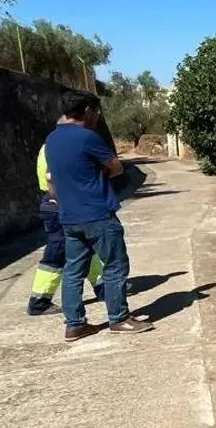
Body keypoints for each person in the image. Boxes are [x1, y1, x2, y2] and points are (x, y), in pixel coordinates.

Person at [45, 90, 153, 341]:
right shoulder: (87, 137)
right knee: (115, 266)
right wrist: (99, 176)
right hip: (97, 213)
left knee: (73, 270)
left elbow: (53, 179)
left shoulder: (52, 139)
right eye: (95, 111)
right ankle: (119, 319)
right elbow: (115, 167)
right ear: (86, 112)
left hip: (69, 216)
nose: (97, 116)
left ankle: (74, 325)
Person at [26, 139, 106, 315]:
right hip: (59, 202)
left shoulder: (48, 145)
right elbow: (51, 176)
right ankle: (39, 300)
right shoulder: (58, 146)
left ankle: (102, 287)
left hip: (56, 201)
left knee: (86, 246)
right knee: (57, 252)